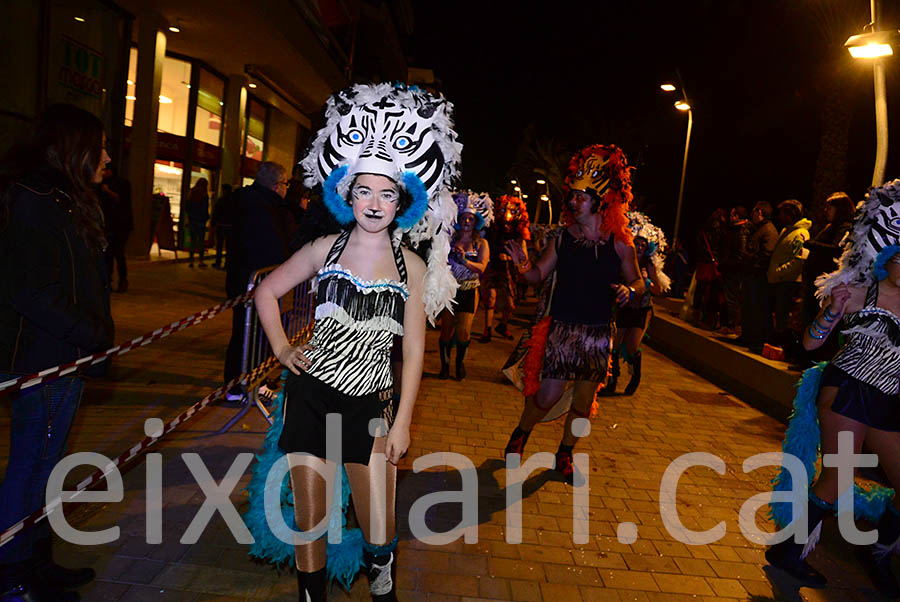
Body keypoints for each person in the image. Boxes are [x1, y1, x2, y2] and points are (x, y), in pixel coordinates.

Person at [243, 83, 461, 602]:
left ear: (402, 201)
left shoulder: (410, 264)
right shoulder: (323, 248)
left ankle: (382, 584)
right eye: (365, 190)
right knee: (310, 521)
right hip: (311, 399)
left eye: (388, 193)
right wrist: (280, 348)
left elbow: (413, 352)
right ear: (346, 191)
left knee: (378, 526)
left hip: (372, 410)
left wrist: (404, 421)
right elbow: (266, 291)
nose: (375, 202)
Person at [0, 104, 115, 602]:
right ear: (76, 147)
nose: (108, 156)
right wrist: (90, 332)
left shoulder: (68, 199)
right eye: (101, 146)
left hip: (66, 355)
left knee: (48, 464)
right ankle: (13, 572)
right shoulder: (32, 199)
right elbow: (30, 289)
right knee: (32, 464)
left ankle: (37, 560)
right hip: (44, 358)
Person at [766, 179, 900, 598]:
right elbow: (809, 342)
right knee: (838, 477)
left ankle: (878, 551)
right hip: (848, 389)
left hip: (890, 400)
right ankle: (788, 553)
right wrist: (832, 311)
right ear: (889, 255)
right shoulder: (861, 291)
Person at [502, 144, 644, 484]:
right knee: (548, 397)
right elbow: (537, 276)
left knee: (583, 404)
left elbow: (639, 280)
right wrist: (521, 264)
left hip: (598, 333)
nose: (573, 202)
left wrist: (631, 291)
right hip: (563, 329)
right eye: (573, 196)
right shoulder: (562, 239)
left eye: (581, 197)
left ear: (600, 201)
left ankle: (565, 453)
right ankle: (521, 432)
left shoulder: (620, 243)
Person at [223, 162, 296, 402]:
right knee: (248, 335)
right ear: (277, 186)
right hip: (254, 284)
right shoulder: (263, 208)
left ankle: (255, 382)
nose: (287, 189)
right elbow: (272, 248)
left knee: (254, 335)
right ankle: (238, 388)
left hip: (249, 281)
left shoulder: (250, 201)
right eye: (286, 184)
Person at [604, 211, 671, 396]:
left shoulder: (649, 264)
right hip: (623, 307)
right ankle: (612, 381)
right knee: (614, 346)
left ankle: (635, 376)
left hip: (642, 310)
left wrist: (648, 282)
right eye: (637, 243)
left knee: (632, 345)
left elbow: (659, 290)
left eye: (643, 244)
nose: (640, 247)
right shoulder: (624, 259)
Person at [439, 191, 492, 380]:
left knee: (464, 331)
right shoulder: (449, 240)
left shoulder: (481, 243)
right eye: (464, 218)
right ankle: (444, 366)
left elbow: (482, 268)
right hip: (450, 289)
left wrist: (463, 261)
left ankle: (459, 364)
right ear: (458, 220)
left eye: (471, 218)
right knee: (446, 330)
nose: (467, 222)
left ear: (476, 221)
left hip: (469, 290)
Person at [478, 195, 529, 342]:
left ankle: (502, 325)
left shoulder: (518, 233)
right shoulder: (492, 229)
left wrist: (522, 264)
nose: (507, 214)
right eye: (504, 210)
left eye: (512, 211)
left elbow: (524, 255)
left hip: (509, 270)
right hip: (493, 266)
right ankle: (487, 329)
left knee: (510, 304)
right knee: (490, 299)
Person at [766, 199, 811, 353]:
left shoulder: (800, 234)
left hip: (787, 282)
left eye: (782, 213)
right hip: (779, 280)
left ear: (790, 214)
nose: (779, 217)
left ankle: (783, 348)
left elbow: (798, 260)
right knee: (778, 316)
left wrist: (779, 272)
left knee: (783, 316)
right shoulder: (787, 231)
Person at [739, 201, 778, 353]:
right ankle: (747, 335)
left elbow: (766, 254)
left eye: (754, 212)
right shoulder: (760, 229)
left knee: (756, 308)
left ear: (760, 212)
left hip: (758, 277)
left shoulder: (768, 230)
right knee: (748, 307)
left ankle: (756, 339)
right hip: (752, 274)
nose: (751, 215)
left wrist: (752, 263)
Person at [98, 164, 133, 292]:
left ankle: (123, 280)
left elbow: (122, 200)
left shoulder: (122, 183)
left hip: (121, 225)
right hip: (108, 224)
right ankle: (108, 280)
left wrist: (108, 191)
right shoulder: (101, 184)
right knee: (108, 253)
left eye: (106, 170)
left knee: (118, 253)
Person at [719, 205, 751, 334]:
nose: (730, 217)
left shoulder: (741, 231)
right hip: (730, 268)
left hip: (734, 271)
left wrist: (728, 264)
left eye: (732, 215)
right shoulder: (735, 230)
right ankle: (728, 323)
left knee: (731, 298)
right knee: (729, 297)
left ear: (737, 216)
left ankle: (731, 324)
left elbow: (740, 253)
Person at [185, 178, 210, 267]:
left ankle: (191, 261)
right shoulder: (204, 195)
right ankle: (200, 261)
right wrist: (206, 218)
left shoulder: (192, 193)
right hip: (200, 221)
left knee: (193, 241)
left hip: (192, 220)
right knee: (201, 242)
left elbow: (187, 206)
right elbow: (205, 208)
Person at [210, 183, 234, 269]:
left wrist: (213, 223)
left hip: (221, 225)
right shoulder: (233, 201)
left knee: (219, 245)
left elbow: (216, 213)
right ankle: (227, 264)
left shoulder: (221, 200)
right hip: (230, 226)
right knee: (228, 246)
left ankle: (218, 262)